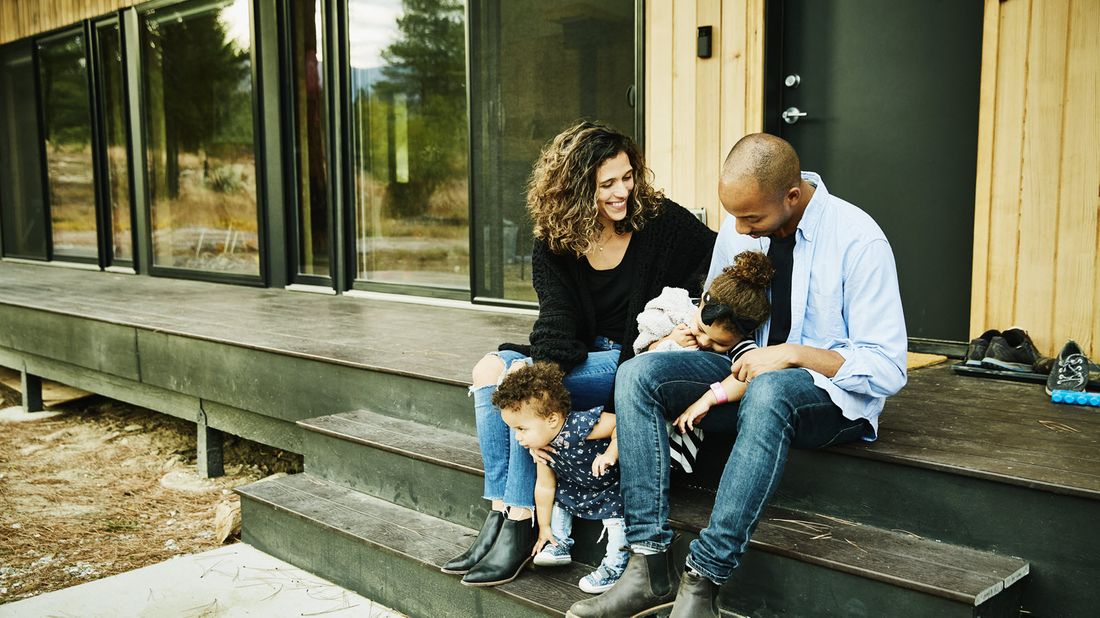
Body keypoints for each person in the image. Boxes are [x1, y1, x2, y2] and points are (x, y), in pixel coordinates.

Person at [567, 133, 908, 618]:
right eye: (735, 217)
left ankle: (703, 579)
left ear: (792, 196)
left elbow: (888, 368)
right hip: (742, 373)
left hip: (830, 398)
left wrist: (790, 355)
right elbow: (731, 326)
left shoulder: (858, 240)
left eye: (752, 219)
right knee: (639, 374)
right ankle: (649, 566)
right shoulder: (739, 227)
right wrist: (698, 337)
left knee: (770, 389)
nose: (741, 231)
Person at [441, 120, 716, 587]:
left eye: (627, 177)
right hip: (585, 355)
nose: (622, 192)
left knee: (522, 388)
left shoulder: (661, 221)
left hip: (635, 362)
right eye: (606, 184)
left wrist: (688, 323)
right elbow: (557, 322)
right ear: (573, 190)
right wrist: (531, 370)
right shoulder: (555, 243)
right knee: (492, 372)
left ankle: (520, 521)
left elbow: (714, 264)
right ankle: (501, 510)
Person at [632, 250, 774, 472]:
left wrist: (709, 398)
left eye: (719, 344)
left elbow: (748, 375)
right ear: (700, 304)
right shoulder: (681, 314)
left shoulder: (742, 346)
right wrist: (668, 340)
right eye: (700, 329)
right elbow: (643, 351)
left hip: (694, 398)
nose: (705, 341)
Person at [493, 362, 628, 593]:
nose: (518, 437)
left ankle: (614, 566)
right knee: (559, 501)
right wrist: (544, 527)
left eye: (522, 429)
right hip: (577, 487)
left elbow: (621, 424)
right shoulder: (543, 446)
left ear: (552, 419)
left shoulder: (580, 426)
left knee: (617, 523)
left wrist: (609, 454)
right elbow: (545, 487)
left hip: (610, 486)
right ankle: (558, 543)